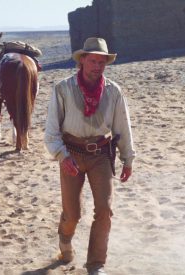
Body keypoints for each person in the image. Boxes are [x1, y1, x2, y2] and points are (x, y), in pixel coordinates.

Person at [44, 37, 136, 275]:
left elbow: (122, 126)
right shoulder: (62, 89)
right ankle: (65, 240)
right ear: (82, 60)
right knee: (72, 214)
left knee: (104, 210)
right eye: (93, 60)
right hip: (70, 153)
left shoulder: (114, 91)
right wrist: (62, 156)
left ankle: (96, 265)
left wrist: (128, 158)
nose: (97, 66)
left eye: (102, 62)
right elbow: (52, 131)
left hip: (101, 155)